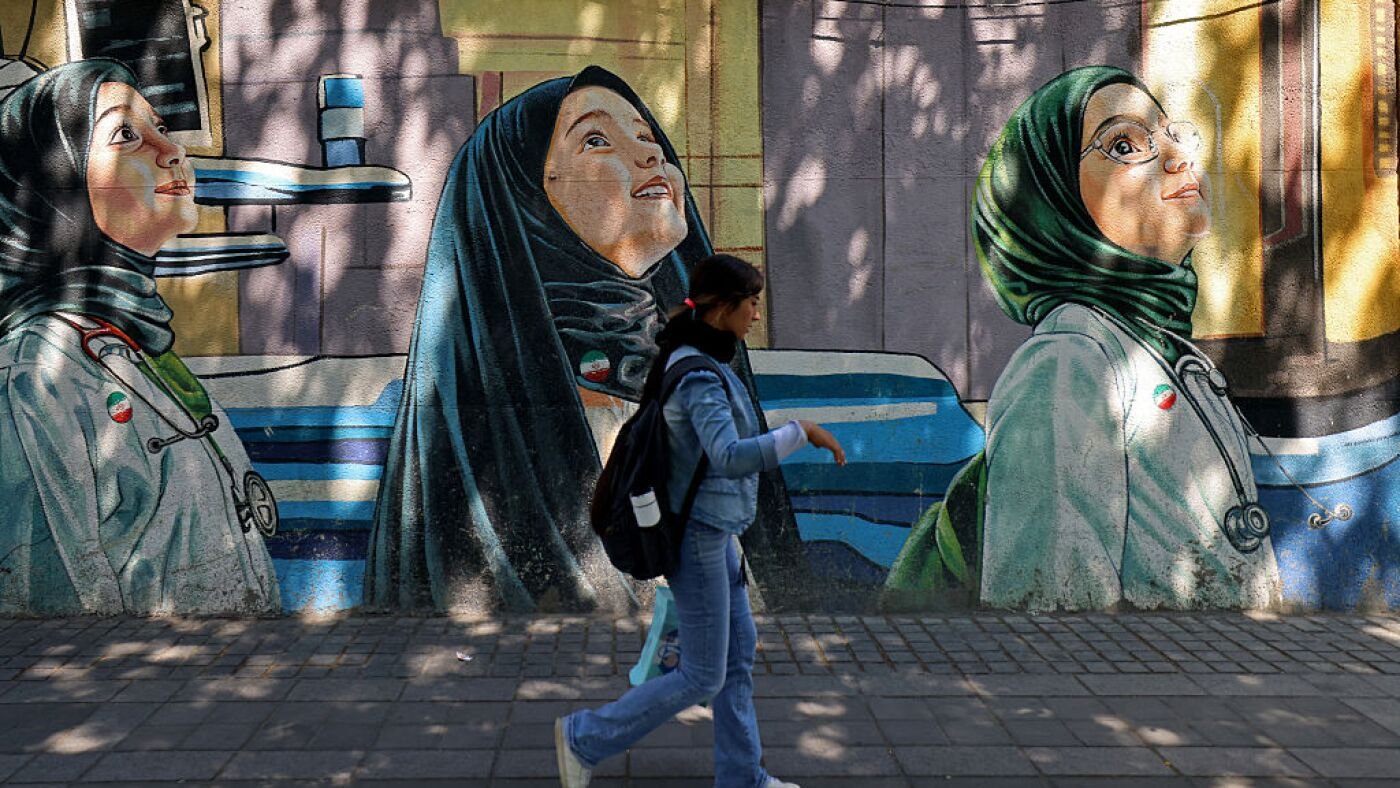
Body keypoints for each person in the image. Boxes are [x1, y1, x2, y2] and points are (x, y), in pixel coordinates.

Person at [366, 66, 807, 613]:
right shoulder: (515, 399)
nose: (651, 155)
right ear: (529, 198)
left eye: (647, 136)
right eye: (597, 140)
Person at [967, 66, 1281, 609]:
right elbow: (1051, 608)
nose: (1179, 157)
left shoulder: (1159, 344)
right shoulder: (1068, 361)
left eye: (1172, 133)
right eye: (1124, 144)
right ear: (1054, 204)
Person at [0, 59, 280, 615]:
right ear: (53, 187)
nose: (172, 151)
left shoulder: (135, 341)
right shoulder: (37, 374)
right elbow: (48, 601)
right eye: (126, 135)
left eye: (162, 128)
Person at [555, 253, 845, 788]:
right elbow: (729, 455)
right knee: (703, 674)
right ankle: (585, 737)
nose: (756, 314)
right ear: (723, 308)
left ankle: (742, 778)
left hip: (715, 533)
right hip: (699, 539)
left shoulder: (698, 359)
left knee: (735, 661)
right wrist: (800, 432)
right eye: (751, 303)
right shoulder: (699, 377)